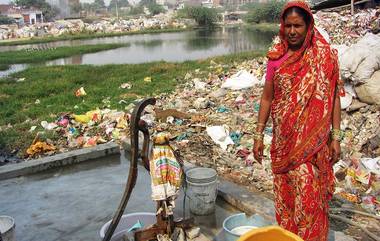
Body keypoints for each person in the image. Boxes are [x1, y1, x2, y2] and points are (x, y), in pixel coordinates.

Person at [253, 1, 345, 241]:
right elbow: (266, 98)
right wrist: (258, 134)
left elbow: (334, 97)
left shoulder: (324, 56)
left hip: (313, 147)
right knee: (286, 200)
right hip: (284, 143)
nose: (292, 31)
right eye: (288, 25)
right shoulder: (276, 57)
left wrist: (336, 137)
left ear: (309, 26)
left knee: (309, 200)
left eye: (298, 25)